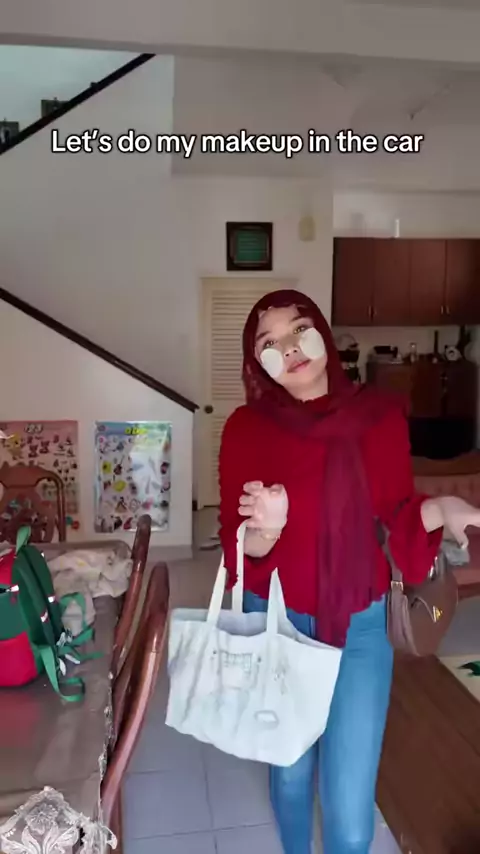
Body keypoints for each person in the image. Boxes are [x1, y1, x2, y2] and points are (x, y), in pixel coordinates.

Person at [218, 289, 480, 854]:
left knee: (350, 807)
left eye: (299, 329)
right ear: (257, 362)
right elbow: (237, 550)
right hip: (279, 622)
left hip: (360, 625)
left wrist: (442, 509)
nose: (290, 348)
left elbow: (398, 518)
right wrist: (268, 529)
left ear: (322, 332)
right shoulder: (246, 428)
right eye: (269, 342)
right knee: (291, 776)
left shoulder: (379, 418)